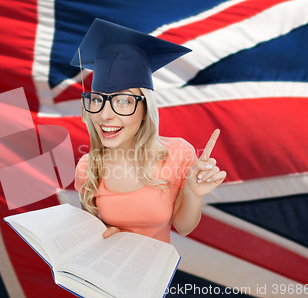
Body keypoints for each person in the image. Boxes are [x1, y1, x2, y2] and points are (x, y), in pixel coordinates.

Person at [71, 19, 226, 244]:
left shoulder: (178, 153)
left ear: (145, 109)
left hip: (156, 274)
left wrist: (193, 192)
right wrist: (103, 233)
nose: (105, 115)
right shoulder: (87, 166)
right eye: (97, 100)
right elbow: (92, 232)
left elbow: (183, 227)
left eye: (123, 101)